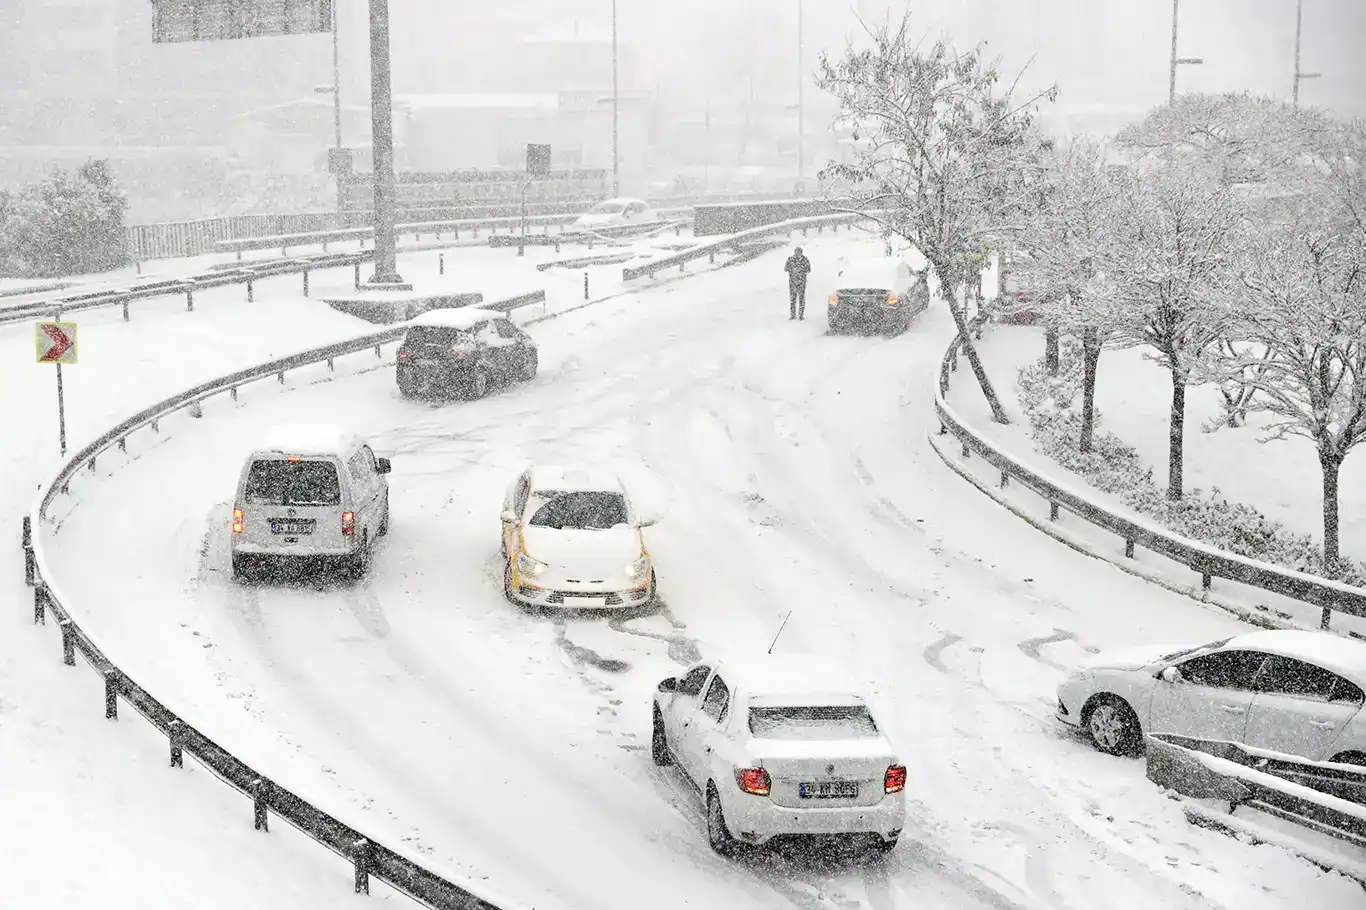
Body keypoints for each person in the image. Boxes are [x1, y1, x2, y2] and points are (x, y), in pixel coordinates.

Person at [783, 246, 812, 320]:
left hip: (801, 282)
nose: (797, 254)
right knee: (793, 299)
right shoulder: (790, 259)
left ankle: (801, 315)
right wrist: (793, 270)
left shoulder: (805, 260)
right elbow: (786, 269)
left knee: (801, 299)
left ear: (801, 253)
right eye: (796, 252)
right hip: (792, 282)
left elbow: (808, 270)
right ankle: (793, 315)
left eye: (799, 252)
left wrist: (800, 270)